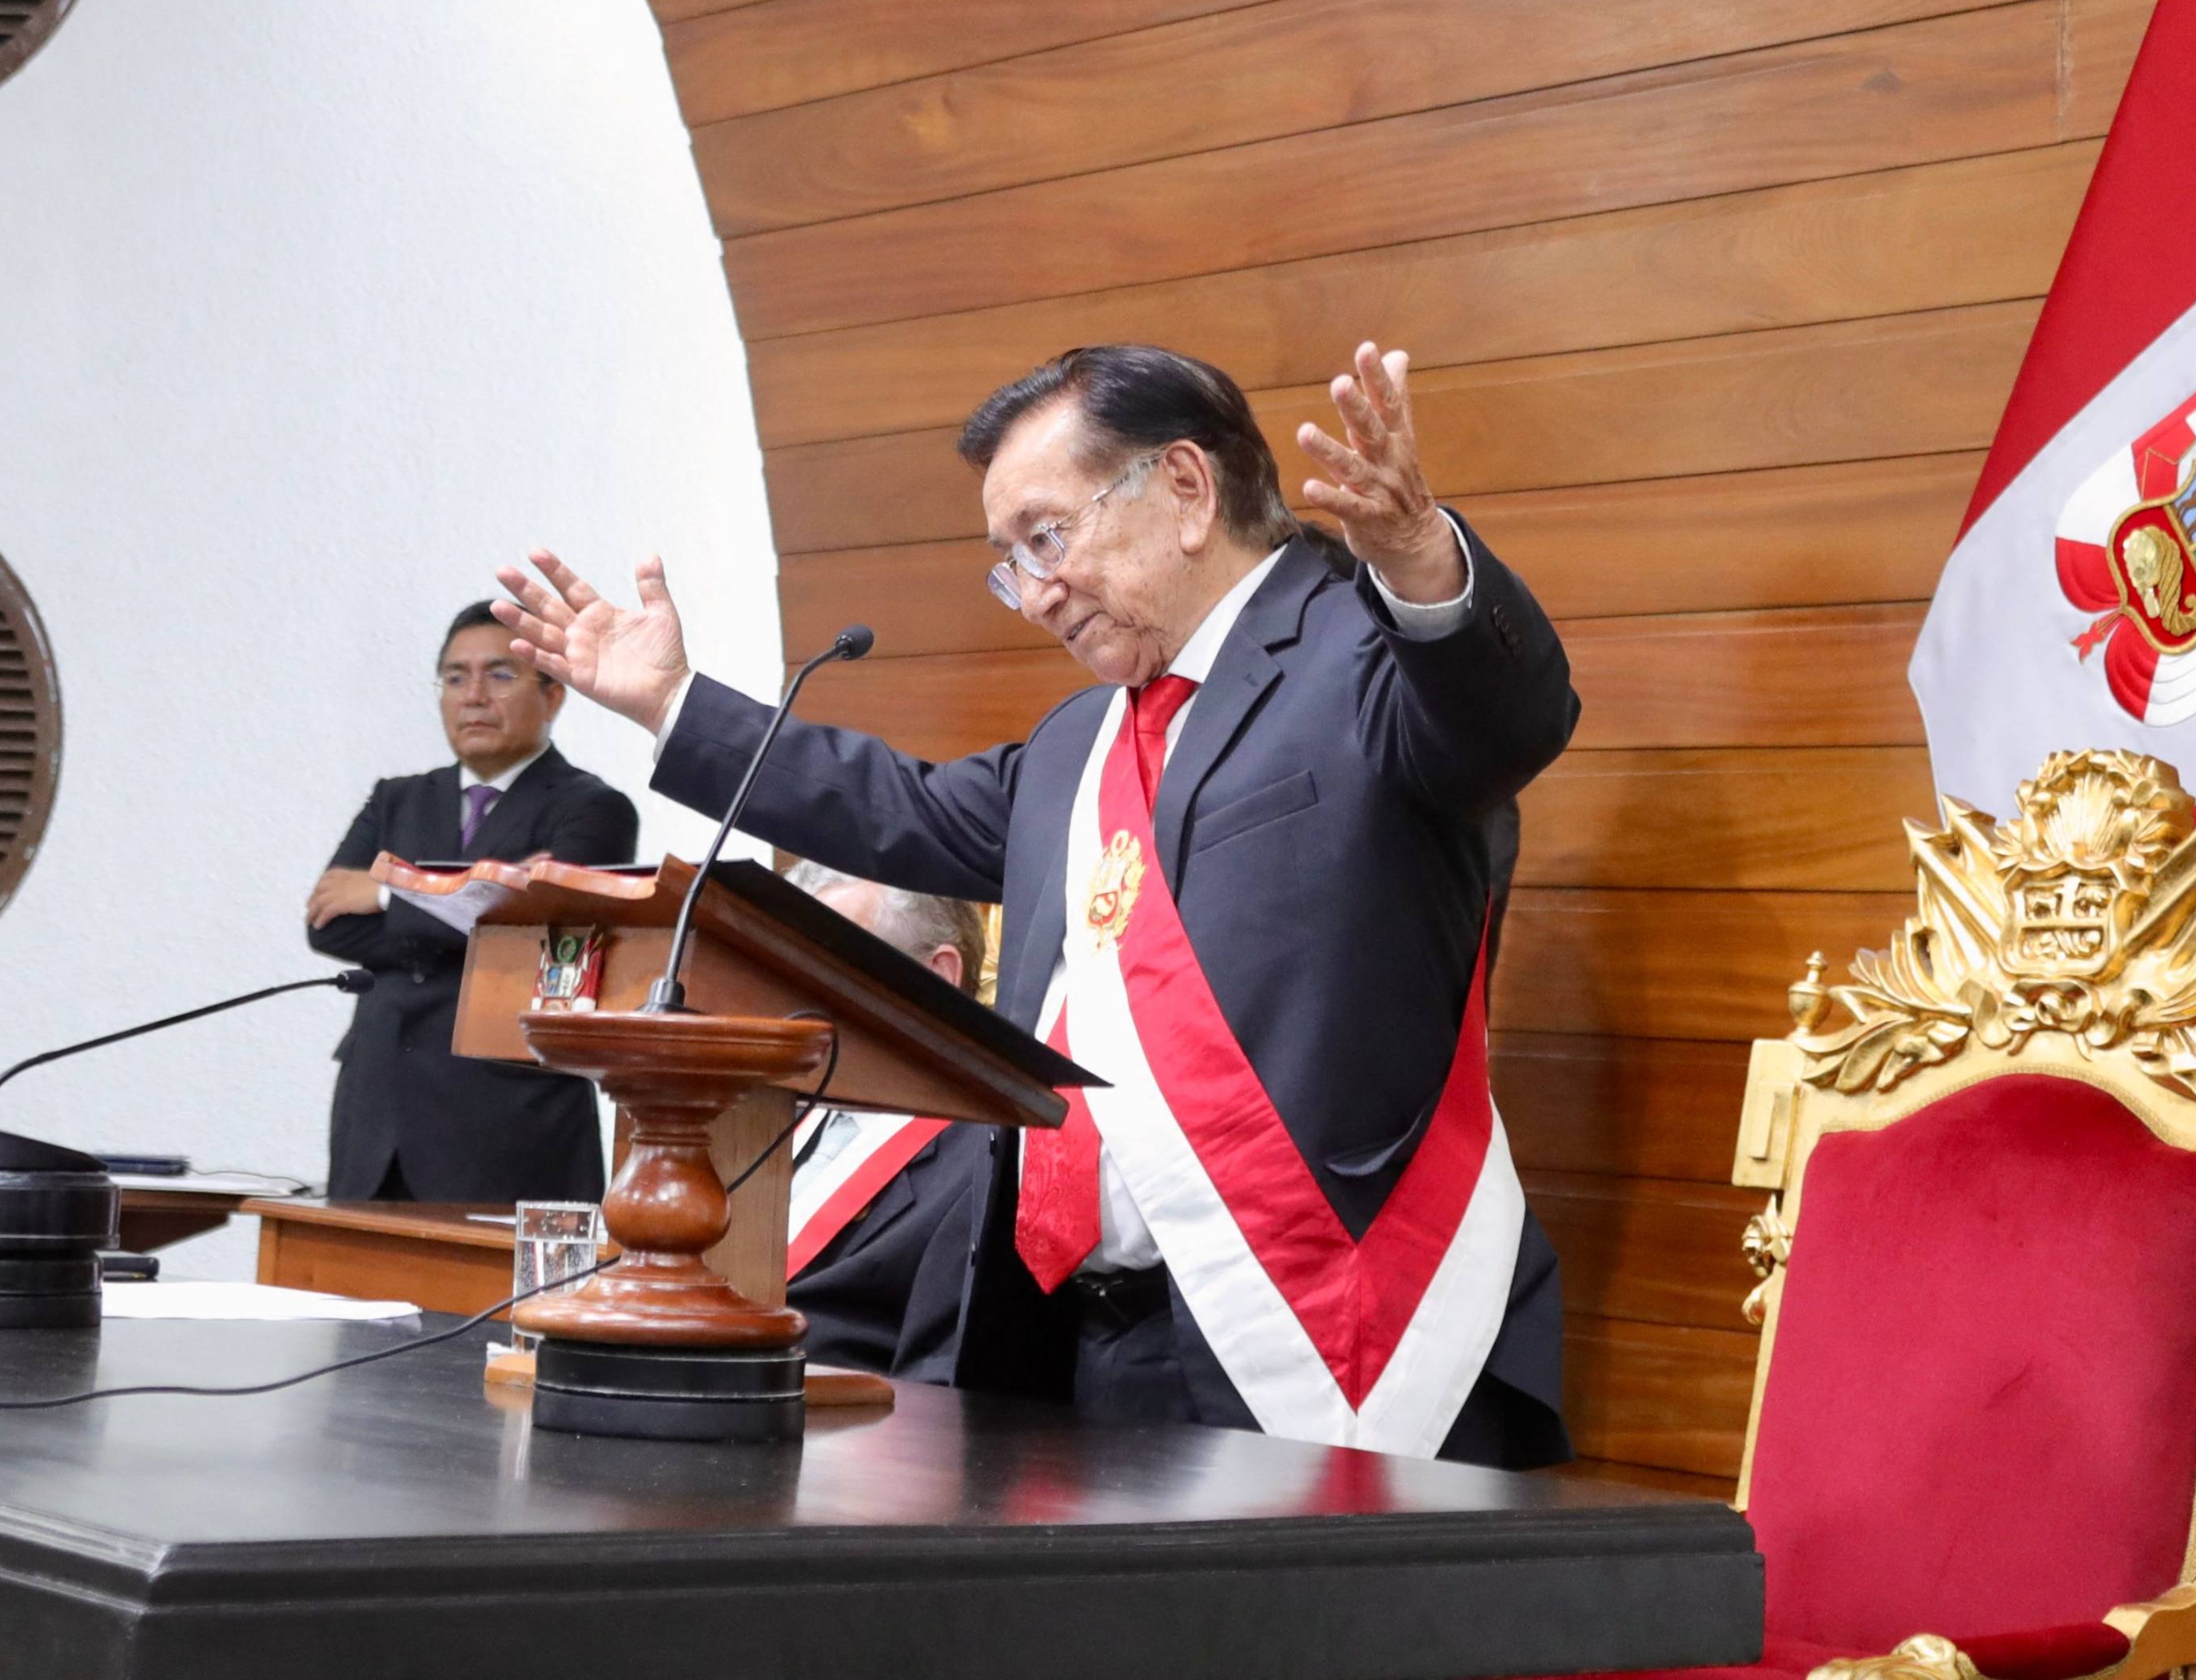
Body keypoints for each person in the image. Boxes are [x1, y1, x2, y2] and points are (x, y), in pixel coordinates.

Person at [496, 340, 1576, 1466]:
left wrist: (1419, 561)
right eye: (1008, 563)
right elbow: (892, 808)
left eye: (1046, 537)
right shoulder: (1080, 743)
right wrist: (672, 705)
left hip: (1331, 1315)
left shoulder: (1364, 650)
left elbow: (1512, 718)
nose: (1035, 591)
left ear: (1185, 489)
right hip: (1086, 1341)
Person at [305, 601, 640, 1201]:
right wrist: (493, 894)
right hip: (376, 1103)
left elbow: (549, 938)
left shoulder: (590, 809)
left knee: (486, 1297)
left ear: (553, 694)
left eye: (500, 675)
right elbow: (330, 929)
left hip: (505, 1114)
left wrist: (386, 893)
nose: (474, 695)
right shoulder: (397, 800)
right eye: (455, 677)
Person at [774, 860, 997, 1381]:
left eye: (832, 966)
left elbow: (940, 1385)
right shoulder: (762, 1113)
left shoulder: (986, 1157)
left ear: (935, 976)